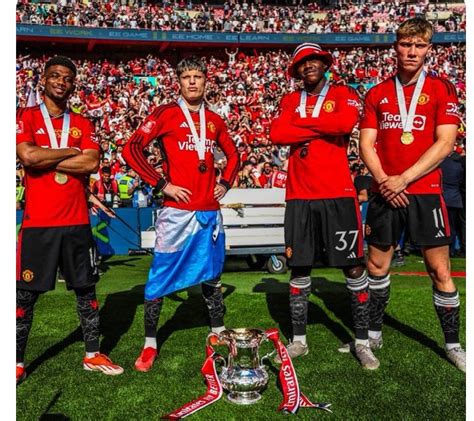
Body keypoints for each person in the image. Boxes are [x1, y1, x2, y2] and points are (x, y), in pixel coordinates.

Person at [358, 18, 465, 372]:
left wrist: (402, 178)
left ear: (428, 50)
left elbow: (446, 142)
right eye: (406, 44)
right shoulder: (376, 93)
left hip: (425, 192)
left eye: (419, 45)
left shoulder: (442, 88)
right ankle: (373, 333)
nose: (412, 51)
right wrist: (385, 180)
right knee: (376, 266)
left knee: (439, 270)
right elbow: (366, 144)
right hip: (383, 191)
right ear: (396, 47)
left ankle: (453, 344)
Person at [122, 56, 239, 372]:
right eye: (186, 76)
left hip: (209, 212)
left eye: (198, 76)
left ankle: (217, 332)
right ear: (178, 80)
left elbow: (234, 155)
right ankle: (149, 344)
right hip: (176, 213)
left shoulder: (214, 120)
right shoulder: (166, 114)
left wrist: (225, 182)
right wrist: (162, 184)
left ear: (205, 81)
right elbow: (131, 149)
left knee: (212, 276)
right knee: (159, 276)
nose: (192, 81)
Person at [269, 43, 379, 369]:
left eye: (313, 60)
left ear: (323, 63)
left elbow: (344, 124)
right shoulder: (290, 99)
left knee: (354, 266)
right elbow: (277, 133)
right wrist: (320, 126)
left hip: (338, 194)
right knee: (300, 267)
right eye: (302, 63)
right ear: (297, 71)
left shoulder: (343, 93)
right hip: (300, 196)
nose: (308, 66)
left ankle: (362, 341)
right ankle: (299, 341)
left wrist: (300, 129)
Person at [16, 56, 123, 384]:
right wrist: (69, 153)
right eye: (55, 76)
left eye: (67, 78)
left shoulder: (84, 123)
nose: (61, 82)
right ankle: (16, 362)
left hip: (76, 221)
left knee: (85, 288)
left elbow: (90, 164)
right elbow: (27, 156)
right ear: (44, 80)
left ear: (73, 85)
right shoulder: (26, 115)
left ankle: (92, 353)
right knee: (24, 295)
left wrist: (47, 155)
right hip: (39, 223)